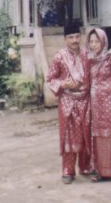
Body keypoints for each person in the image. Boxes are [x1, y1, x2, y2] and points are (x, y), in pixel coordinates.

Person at [46, 25, 91, 184]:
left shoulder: (87, 54)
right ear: (65, 39)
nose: (74, 40)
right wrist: (63, 84)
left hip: (86, 99)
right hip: (68, 101)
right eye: (71, 37)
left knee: (87, 134)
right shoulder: (59, 57)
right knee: (69, 136)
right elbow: (50, 79)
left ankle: (85, 166)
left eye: (77, 37)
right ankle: (68, 170)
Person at [86, 28, 111, 182]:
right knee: (97, 137)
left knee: (110, 136)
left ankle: (110, 171)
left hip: (108, 105)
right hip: (95, 105)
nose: (94, 45)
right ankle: (99, 170)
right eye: (92, 41)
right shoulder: (89, 59)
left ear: (103, 42)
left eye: (97, 41)